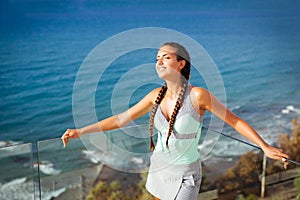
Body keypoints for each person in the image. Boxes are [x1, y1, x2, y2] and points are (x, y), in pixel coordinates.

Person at [61, 42, 290, 200]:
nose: (159, 61)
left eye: (166, 57)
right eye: (157, 58)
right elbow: (121, 119)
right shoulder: (155, 96)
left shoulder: (198, 96)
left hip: (186, 175)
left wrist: (265, 147)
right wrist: (80, 131)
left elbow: (235, 121)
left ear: (181, 64)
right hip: (159, 168)